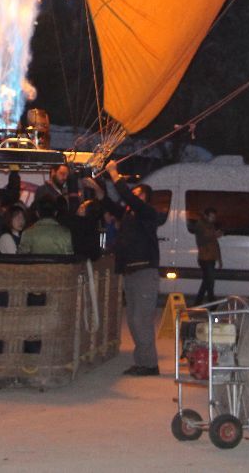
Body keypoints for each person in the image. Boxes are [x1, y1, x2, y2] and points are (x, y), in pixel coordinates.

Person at [100, 160, 166, 376]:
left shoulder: (148, 213)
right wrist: (98, 186)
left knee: (141, 319)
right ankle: (142, 362)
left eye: (138, 193)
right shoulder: (129, 216)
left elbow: (128, 199)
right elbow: (111, 205)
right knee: (133, 320)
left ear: (146, 198)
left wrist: (115, 175)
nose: (133, 196)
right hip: (130, 271)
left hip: (145, 270)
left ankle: (150, 364)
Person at [192, 207, 223, 306]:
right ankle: (212, 304)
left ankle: (197, 304)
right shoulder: (200, 225)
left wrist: (219, 259)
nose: (213, 218)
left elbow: (215, 243)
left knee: (207, 282)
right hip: (204, 258)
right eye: (212, 216)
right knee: (210, 282)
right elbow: (203, 239)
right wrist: (215, 235)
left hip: (210, 257)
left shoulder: (210, 225)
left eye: (214, 217)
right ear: (206, 216)